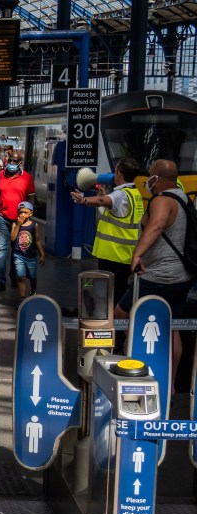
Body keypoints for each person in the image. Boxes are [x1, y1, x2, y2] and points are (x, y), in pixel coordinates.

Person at [117, 160, 197, 381]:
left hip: (159, 275)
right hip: (182, 276)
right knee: (171, 325)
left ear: (158, 178)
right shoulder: (182, 196)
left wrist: (137, 254)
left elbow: (158, 224)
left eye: (150, 176)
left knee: (122, 315)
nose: (147, 181)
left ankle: (139, 367)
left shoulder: (162, 199)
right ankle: (168, 382)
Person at [70, 158, 144, 303]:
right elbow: (111, 206)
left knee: (111, 295)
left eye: (115, 170)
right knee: (119, 291)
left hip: (113, 255)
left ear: (119, 173)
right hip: (125, 254)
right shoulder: (135, 194)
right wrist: (102, 196)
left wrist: (83, 200)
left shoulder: (120, 195)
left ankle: (113, 322)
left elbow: (103, 201)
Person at [0, 150, 36, 291]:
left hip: (19, 220)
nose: (11, 163)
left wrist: (27, 214)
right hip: (2, 217)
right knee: (1, 249)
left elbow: (31, 197)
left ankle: (15, 277)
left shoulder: (27, 178)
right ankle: (0, 279)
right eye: (9, 160)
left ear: (20, 163)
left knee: (17, 250)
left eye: (14, 161)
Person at [10, 202, 44, 299]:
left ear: (31, 214)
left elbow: (37, 240)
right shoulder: (15, 224)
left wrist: (42, 254)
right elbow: (12, 238)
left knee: (32, 277)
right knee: (21, 277)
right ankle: (22, 298)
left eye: (25, 212)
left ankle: (33, 292)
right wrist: (18, 225)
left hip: (31, 256)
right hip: (18, 255)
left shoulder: (34, 225)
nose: (22, 215)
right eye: (20, 212)